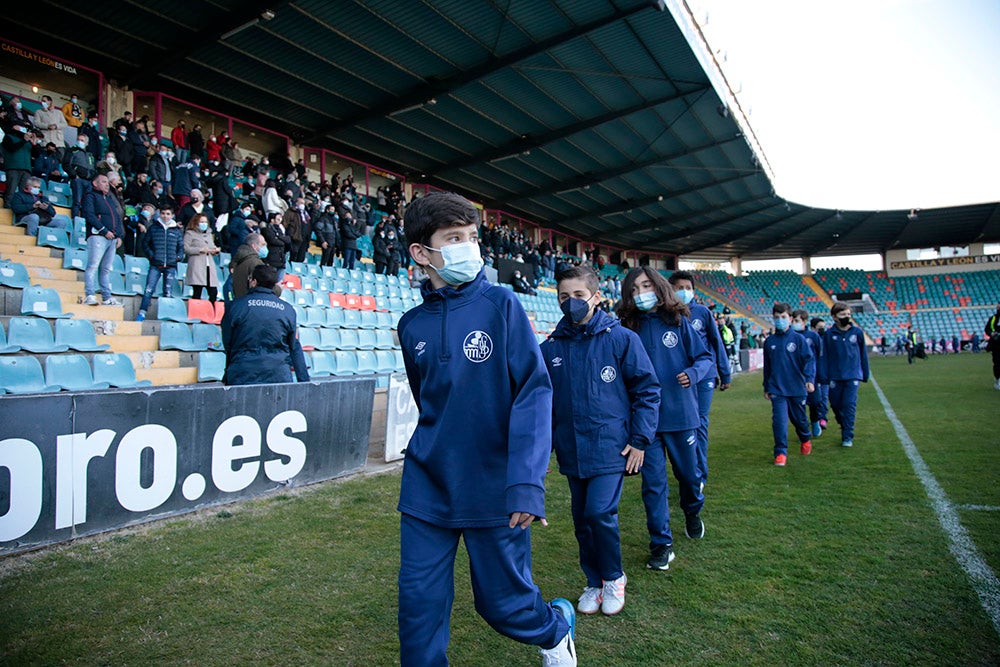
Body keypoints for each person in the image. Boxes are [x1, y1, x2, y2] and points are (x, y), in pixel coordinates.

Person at [396, 191, 576, 666]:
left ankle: (556, 632)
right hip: (427, 485)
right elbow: (429, 399)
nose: (468, 247)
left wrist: (525, 482)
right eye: (453, 238)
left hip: (495, 485)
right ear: (421, 253)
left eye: (471, 237)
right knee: (418, 609)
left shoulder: (502, 305)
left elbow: (534, 393)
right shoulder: (409, 325)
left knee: (503, 606)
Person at [541, 265, 659, 616]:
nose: (571, 302)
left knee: (599, 512)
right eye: (564, 296)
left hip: (611, 446)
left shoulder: (621, 338)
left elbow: (647, 391)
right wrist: (539, 454)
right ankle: (593, 581)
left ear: (595, 296)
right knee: (581, 519)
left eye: (578, 295)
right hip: (572, 449)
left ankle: (613, 577)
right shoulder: (550, 348)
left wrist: (639, 440)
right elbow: (543, 405)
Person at [617, 267, 713, 568]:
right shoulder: (626, 328)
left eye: (645, 285)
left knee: (689, 476)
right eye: (634, 290)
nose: (640, 294)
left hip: (682, 415)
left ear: (659, 287)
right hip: (646, 421)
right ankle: (662, 544)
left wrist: (694, 373)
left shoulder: (679, 321)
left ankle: (692, 510)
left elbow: (705, 357)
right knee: (653, 484)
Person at [667, 271, 730, 489]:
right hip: (680, 378)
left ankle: (700, 474)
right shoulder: (667, 314)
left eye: (687, 287)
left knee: (700, 423)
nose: (683, 291)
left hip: (704, 376)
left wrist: (725, 372)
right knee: (685, 426)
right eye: (678, 287)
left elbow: (716, 343)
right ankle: (688, 470)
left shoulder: (703, 313)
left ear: (693, 290)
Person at [221, 264, 308, 385]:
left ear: (254, 282)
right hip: (278, 375)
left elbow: (228, 342)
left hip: (243, 373)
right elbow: (294, 346)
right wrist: (304, 381)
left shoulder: (236, 307)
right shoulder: (288, 310)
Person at [763, 303, 815, 466]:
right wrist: (766, 386)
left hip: (797, 387)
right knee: (779, 421)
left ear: (790, 318)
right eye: (777, 318)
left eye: (783, 317)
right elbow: (768, 366)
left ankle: (805, 438)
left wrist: (809, 379)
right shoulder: (769, 341)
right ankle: (780, 452)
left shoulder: (799, 339)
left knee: (799, 420)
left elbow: (809, 360)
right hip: (777, 388)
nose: (780, 320)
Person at [818, 302, 869, 448]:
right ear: (834, 317)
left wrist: (865, 373)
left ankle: (847, 436)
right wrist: (823, 376)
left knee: (849, 405)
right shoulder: (829, 334)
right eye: (843, 315)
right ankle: (843, 422)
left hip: (853, 375)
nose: (847, 317)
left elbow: (863, 354)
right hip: (835, 376)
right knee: (835, 405)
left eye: (848, 314)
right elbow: (824, 357)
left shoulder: (857, 332)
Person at [81, 173, 124, 306]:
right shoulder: (90, 196)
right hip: (97, 236)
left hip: (112, 238)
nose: (107, 184)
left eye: (107, 182)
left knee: (105, 269)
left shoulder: (109, 199)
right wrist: (104, 230)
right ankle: (89, 295)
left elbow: (116, 217)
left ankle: (106, 297)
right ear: (95, 183)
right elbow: (89, 215)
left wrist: (118, 235)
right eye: (104, 182)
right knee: (93, 266)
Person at [136, 205, 185, 321]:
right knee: (149, 289)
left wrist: (178, 257)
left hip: (171, 266)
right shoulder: (154, 228)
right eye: (163, 213)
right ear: (160, 214)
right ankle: (141, 314)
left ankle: (165, 316)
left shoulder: (177, 231)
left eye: (168, 214)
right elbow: (145, 243)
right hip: (155, 264)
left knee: (167, 292)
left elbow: (181, 247)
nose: (165, 216)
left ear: (172, 215)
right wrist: (151, 255)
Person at [228, 233, 280, 302]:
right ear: (254, 246)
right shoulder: (255, 263)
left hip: (238, 303)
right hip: (249, 303)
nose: (265, 248)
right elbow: (264, 287)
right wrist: (279, 288)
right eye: (263, 245)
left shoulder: (239, 258)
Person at [808, 317, 830, 434]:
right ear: (813, 328)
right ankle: (813, 420)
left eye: (823, 328)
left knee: (824, 396)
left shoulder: (826, 340)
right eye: (819, 328)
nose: (822, 330)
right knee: (814, 399)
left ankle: (822, 418)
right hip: (812, 374)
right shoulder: (809, 340)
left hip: (823, 372)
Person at [260, 211, 291, 281]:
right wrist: (283, 241)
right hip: (271, 261)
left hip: (281, 261)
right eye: (278, 219)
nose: (280, 221)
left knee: (279, 284)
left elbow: (288, 242)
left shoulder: (282, 230)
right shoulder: (266, 229)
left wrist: (278, 237)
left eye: (280, 219)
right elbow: (272, 240)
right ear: (272, 220)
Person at [986, 304, 1000, 390]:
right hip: (996, 345)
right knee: (997, 363)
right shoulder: (993, 318)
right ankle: (997, 379)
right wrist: (991, 333)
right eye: (998, 307)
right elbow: (987, 329)